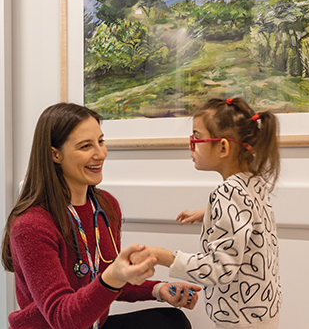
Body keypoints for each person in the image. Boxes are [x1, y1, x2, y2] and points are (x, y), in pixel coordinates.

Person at [1, 102, 201, 329]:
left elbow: (108, 282)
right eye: (86, 146)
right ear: (54, 154)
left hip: (90, 325)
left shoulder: (106, 206)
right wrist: (114, 276)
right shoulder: (31, 224)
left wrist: (158, 290)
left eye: (101, 141)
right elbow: (62, 318)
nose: (100, 153)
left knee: (172, 323)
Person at [130, 97, 282, 328]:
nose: (191, 144)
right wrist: (209, 212)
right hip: (262, 310)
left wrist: (161, 255)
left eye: (197, 137)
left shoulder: (226, 192)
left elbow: (220, 270)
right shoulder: (253, 183)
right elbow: (250, 219)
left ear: (223, 147)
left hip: (238, 319)